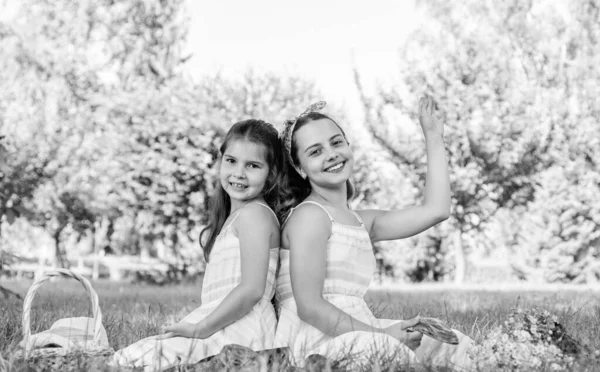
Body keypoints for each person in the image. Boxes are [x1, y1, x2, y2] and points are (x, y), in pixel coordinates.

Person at [273, 98, 473, 369]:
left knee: (451, 343)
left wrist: (434, 138)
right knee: (393, 354)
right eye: (315, 152)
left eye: (336, 142)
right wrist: (382, 335)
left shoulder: (361, 221)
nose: (331, 154)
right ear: (299, 168)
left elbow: (436, 210)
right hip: (315, 340)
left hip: (357, 329)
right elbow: (309, 307)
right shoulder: (310, 216)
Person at [112, 119, 283, 371]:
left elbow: (251, 290)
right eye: (231, 161)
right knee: (132, 357)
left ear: (271, 173)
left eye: (253, 166)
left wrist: (200, 329)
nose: (239, 173)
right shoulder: (236, 217)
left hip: (243, 329)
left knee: (142, 360)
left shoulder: (255, 215)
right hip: (221, 320)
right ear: (220, 160)